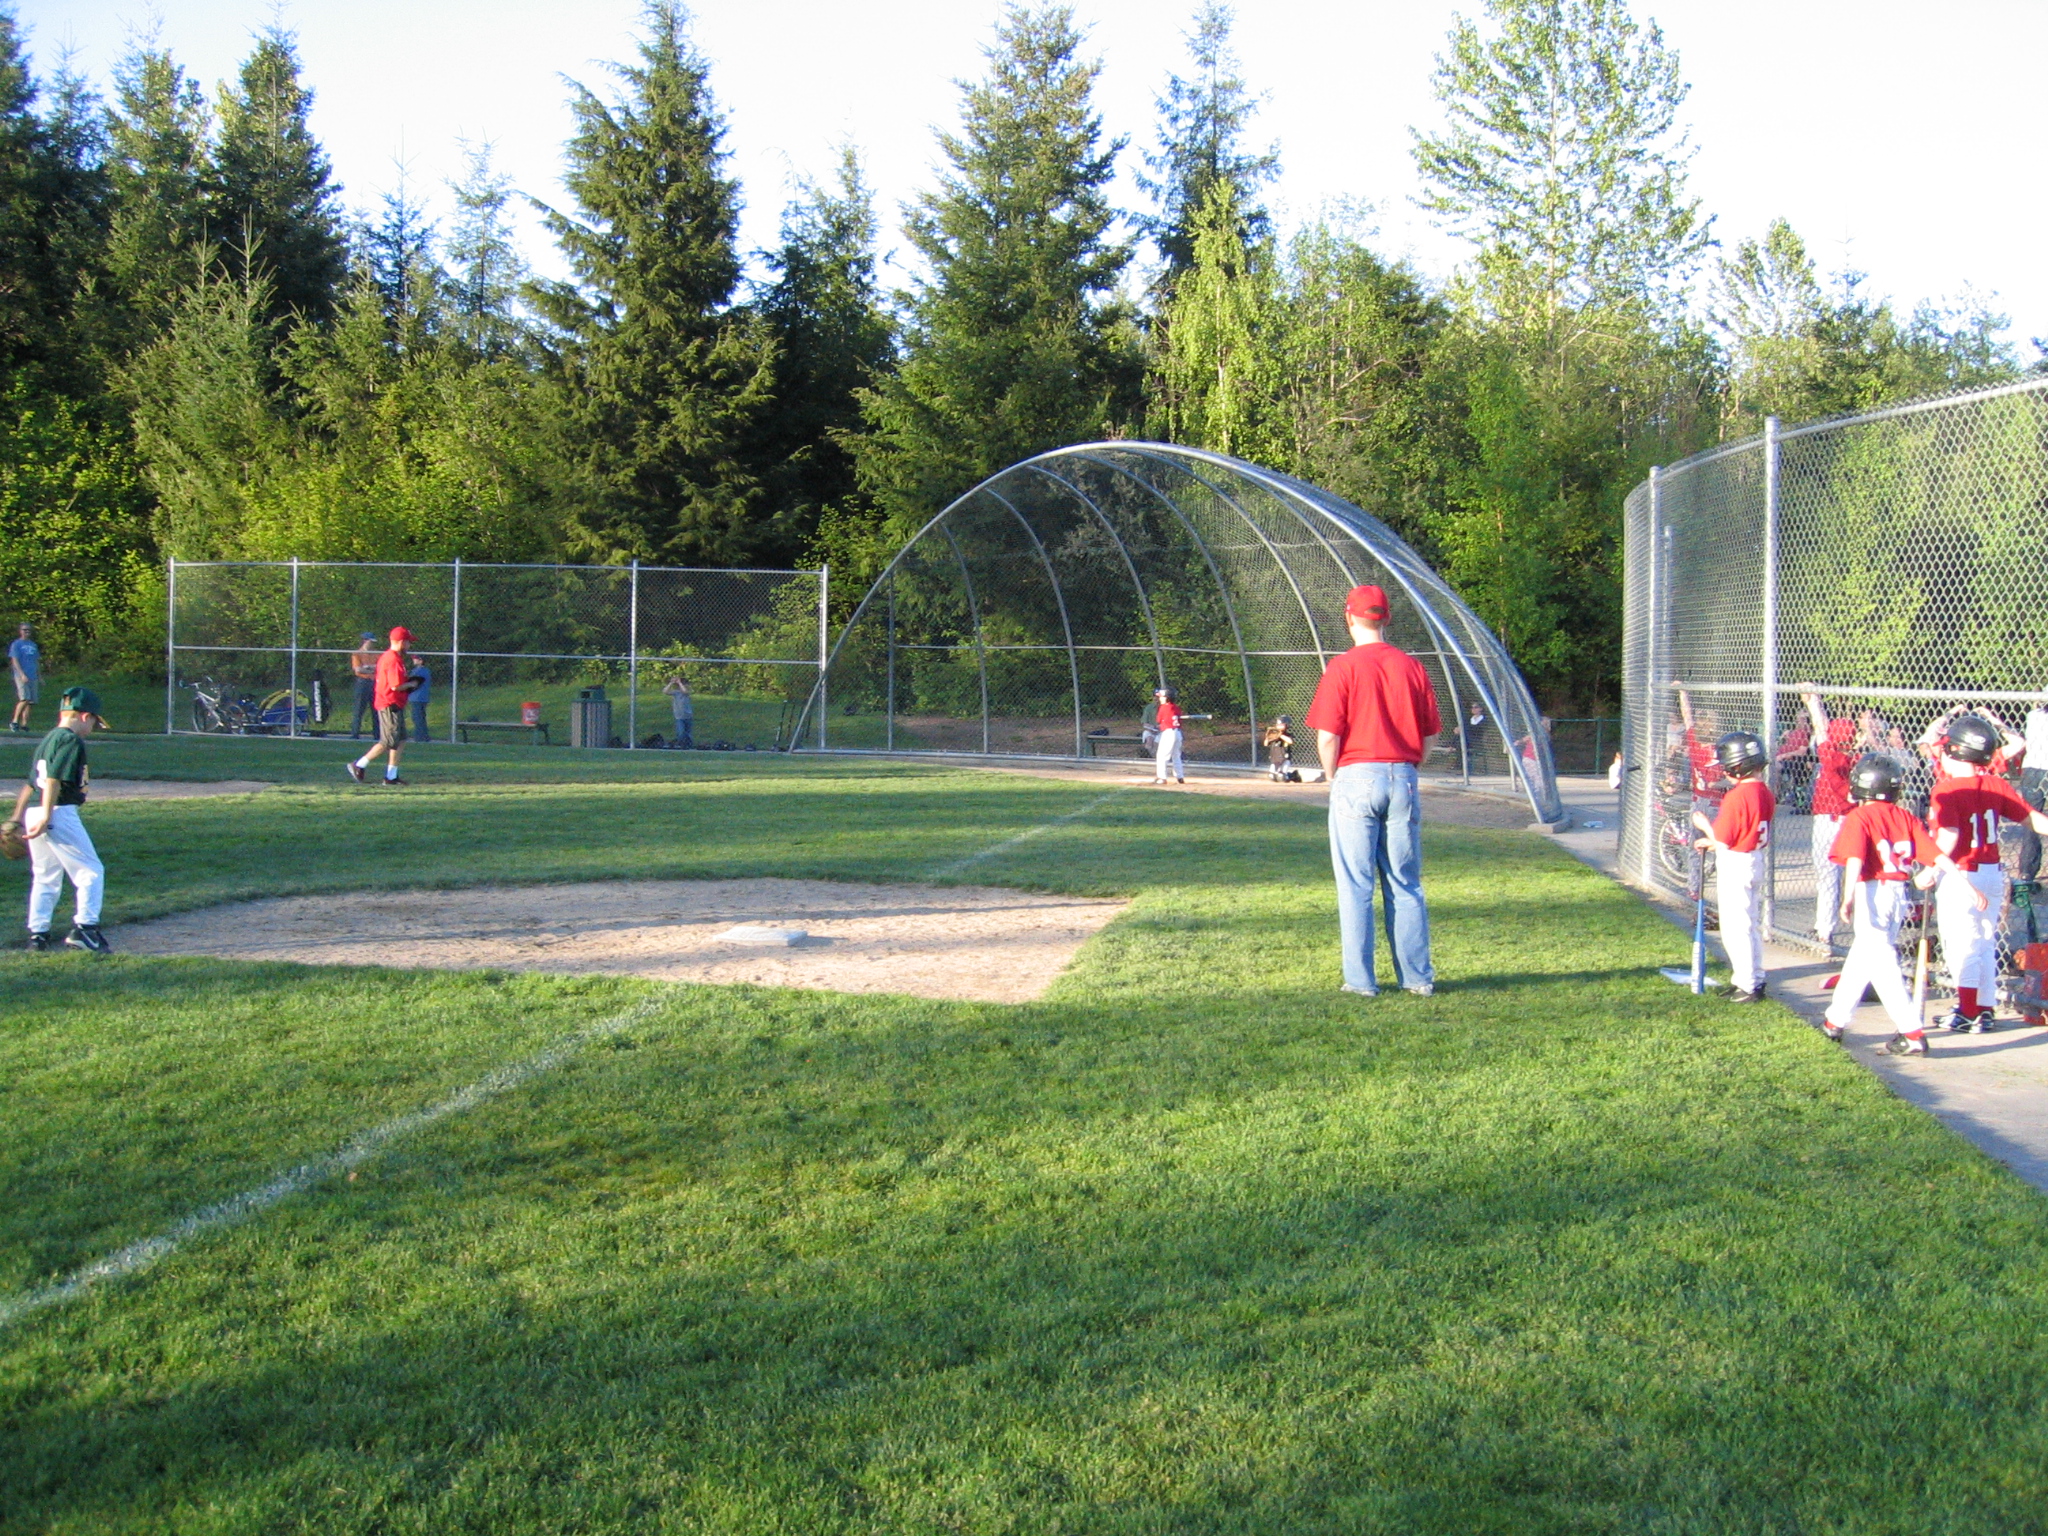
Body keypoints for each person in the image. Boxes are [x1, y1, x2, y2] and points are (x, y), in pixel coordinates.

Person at [1305, 583, 1441, 997]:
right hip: (1403, 775)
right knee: (1405, 882)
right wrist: (1411, 764)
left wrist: (1333, 776)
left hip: (1356, 774)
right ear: (1387, 619)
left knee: (1356, 885)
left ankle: (1362, 982)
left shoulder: (1342, 667)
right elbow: (1430, 733)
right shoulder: (1411, 666)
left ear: (1349, 618)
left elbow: (1328, 736)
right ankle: (1417, 980)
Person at [1925, 713, 2048, 1033]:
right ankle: (1983, 1008)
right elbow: (2032, 819)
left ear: (1956, 751)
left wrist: (1929, 868)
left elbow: (1948, 837)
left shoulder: (1947, 789)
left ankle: (1967, 1012)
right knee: (1982, 943)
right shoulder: (1995, 783)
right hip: (1993, 875)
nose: (1942, 755)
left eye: (1945, 750)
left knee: (1962, 948)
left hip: (1962, 875)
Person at [1819, 755, 1940, 1053]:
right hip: (1897, 893)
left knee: (1882, 962)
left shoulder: (1859, 817)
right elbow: (1934, 854)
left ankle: (1912, 1032)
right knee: (1864, 956)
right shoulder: (1904, 816)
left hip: (1872, 891)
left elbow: (1855, 859)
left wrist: (1846, 897)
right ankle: (1835, 1021)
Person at [6, 686, 110, 953]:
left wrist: (16, 818)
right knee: (90, 871)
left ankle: (37, 935)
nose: (94, 728)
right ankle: (86, 930)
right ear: (84, 716)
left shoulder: (49, 738)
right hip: (57, 810)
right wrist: (48, 814)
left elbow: (31, 784)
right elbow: (52, 778)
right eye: (95, 722)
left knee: (45, 876)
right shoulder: (70, 740)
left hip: (37, 811)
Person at [1691, 731, 1775, 1002]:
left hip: (1736, 864)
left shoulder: (1737, 796)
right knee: (1748, 925)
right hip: (1753, 858)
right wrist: (1711, 843)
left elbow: (1725, 838)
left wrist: (1704, 825)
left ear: (1738, 766)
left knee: (1735, 929)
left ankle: (1748, 985)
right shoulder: (1765, 792)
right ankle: (1752, 978)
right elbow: (1743, 833)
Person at [1801, 690, 1863, 946]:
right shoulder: (1856, 758)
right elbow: (1826, 731)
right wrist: (1813, 701)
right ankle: (1839, 927)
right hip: (1850, 820)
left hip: (1829, 821)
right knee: (1855, 875)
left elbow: (1821, 729)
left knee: (1827, 876)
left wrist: (1814, 703)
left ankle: (1824, 930)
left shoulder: (1830, 757)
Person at [346, 627, 421, 786]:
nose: (409, 646)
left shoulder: (389, 657)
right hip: (389, 703)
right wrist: (413, 683)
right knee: (388, 740)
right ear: (400, 642)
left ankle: (391, 776)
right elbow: (395, 686)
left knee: (400, 739)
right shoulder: (393, 659)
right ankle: (359, 765)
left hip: (393, 703)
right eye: (407, 642)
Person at [9, 621, 39, 734]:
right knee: (24, 698)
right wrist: (21, 674)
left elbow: (36, 661)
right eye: (24, 630)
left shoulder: (33, 645)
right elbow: (14, 660)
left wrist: (39, 676)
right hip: (21, 675)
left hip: (33, 675)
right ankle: (15, 721)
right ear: (20, 631)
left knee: (30, 701)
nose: (26, 632)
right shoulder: (16, 644)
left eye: (28, 630)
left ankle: (24, 724)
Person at [348, 632, 379, 738]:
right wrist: (371, 668)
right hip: (362, 682)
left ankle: (377, 734)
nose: (372, 644)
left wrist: (367, 667)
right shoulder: (357, 654)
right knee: (359, 709)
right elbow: (358, 669)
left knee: (376, 709)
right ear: (365, 641)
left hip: (374, 682)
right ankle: (355, 733)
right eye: (371, 641)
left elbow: (380, 667)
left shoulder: (376, 653)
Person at [1151, 686, 1184, 785]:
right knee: (1176, 755)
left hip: (1168, 733)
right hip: (1177, 733)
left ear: (1167, 697)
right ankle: (1180, 777)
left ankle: (1162, 777)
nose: (1160, 698)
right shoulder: (1176, 708)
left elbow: (1158, 721)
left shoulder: (1164, 707)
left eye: (1162, 697)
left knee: (1161, 755)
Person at [663, 670, 694, 749]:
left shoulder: (687, 692)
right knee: (681, 732)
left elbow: (685, 691)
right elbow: (665, 691)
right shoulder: (676, 693)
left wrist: (680, 682)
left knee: (688, 733)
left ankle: (688, 745)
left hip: (688, 716)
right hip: (679, 716)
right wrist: (671, 683)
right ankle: (681, 745)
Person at [406, 655, 432, 743]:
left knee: (417, 718)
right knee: (421, 718)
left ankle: (419, 737)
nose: (414, 660)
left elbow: (413, 683)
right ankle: (424, 736)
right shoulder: (426, 671)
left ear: (421, 661)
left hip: (417, 697)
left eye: (416, 659)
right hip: (423, 697)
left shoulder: (418, 671)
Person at [1262, 715, 1295, 782]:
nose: (1279, 726)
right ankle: (1278, 773)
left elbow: (1290, 742)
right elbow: (1265, 744)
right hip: (1275, 759)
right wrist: (1268, 738)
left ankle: (1293, 776)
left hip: (1285, 758)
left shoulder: (1288, 735)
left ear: (1287, 725)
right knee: (1271, 776)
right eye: (1278, 724)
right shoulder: (1273, 735)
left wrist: (1280, 735)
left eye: (1281, 724)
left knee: (1281, 776)